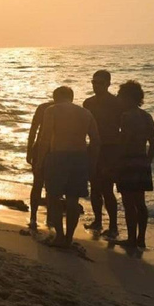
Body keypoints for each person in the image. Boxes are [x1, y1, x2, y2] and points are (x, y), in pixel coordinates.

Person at [38, 86, 101, 247]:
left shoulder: (52, 110)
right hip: (79, 157)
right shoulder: (86, 113)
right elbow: (95, 140)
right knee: (73, 200)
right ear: (71, 98)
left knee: (54, 197)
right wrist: (92, 163)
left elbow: (45, 138)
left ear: (55, 97)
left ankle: (59, 235)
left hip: (58, 156)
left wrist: (39, 161)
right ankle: (69, 238)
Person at [82, 70, 124, 236]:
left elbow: (123, 127)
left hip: (110, 148)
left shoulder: (116, 103)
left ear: (108, 84)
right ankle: (98, 220)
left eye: (99, 83)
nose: (95, 85)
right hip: (93, 148)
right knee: (94, 187)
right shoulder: (88, 103)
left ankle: (113, 226)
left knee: (107, 188)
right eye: (94, 82)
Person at [116, 81, 154, 249]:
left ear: (128, 97)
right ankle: (141, 238)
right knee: (140, 202)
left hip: (128, 160)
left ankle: (131, 238)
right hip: (141, 160)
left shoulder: (126, 116)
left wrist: (117, 160)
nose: (118, 99)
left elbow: (125, 140)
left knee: (128, 202)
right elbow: (153, 142)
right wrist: (148, 160)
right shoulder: (146, 116)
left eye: (120, 96)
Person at [26, 97, 55, 229]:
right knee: (49, 186)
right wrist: (29, 150)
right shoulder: (45, 108)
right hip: (55, 150)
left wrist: (29, 150)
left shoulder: (43, 107)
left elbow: (33, 130)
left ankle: (35, 217)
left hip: (50, 150)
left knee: (39, 183)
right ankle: (41, 217)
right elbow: (33, 129)